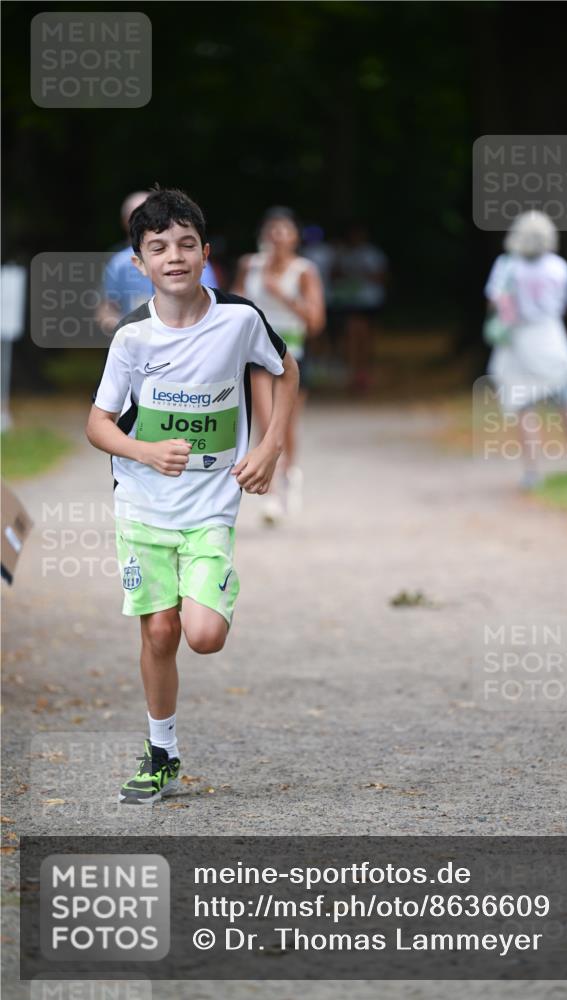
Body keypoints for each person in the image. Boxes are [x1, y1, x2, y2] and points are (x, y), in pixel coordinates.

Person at [86, 188, 299, 803]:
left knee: (202, 633)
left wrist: (270, 446)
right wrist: (145, 451)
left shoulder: (239, 319)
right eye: (158, 248)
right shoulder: (131, 338)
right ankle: (161, 751)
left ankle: (215, 583)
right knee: (159, 633)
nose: (173, 257)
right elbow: (98, 425)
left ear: (205, 254)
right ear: (139, 263)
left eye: (185, 245)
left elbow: (286, 372)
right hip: (142, 502)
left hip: (208, 504)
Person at [484, 210, 567, 489]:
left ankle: (532, 473)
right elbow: (564, 304)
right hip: (552, 341)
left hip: (518, 344)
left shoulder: (506, 265)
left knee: (524, 409)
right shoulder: (559, 266)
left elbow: (496, 303)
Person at [232, 207, 325, 523]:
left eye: (284, 230)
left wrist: (282, 295)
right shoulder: (250, 265)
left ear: (295, 237)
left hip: (292, 356)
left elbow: (315, 322)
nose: (277, 237)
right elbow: (234, 305)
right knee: (265, 420)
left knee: (285, 426)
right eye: (271, 230)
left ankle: (290, 473)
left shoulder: (304, 271)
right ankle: (270, 495)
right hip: (257, 353)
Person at [96, 190, 218, 336]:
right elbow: (106, 307)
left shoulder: (191, 259)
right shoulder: (118, 262)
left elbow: (212, 300)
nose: (174, 258)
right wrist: (125, 330)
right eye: (158, 249)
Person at [331, 223, 387, 393]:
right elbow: (334, 275)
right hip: (350, 301)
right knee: (352, 336)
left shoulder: (373, 254)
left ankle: (364, 372)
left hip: (369, 301)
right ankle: (354, 373)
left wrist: (362, 276)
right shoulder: (344, 254)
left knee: (365, 337)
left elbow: (382, 276)